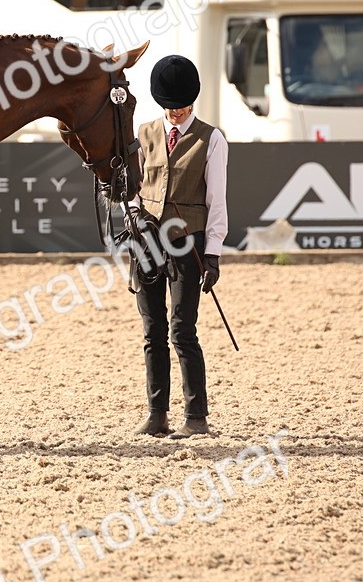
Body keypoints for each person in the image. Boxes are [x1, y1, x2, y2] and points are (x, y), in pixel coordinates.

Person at [130, 55, 228, 439]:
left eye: (182, 106)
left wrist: (214, 254)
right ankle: (157, 414)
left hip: (189, 244)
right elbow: (134, 188)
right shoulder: (144, 133)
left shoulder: (211, 139)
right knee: (152, 330)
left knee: (182, 330)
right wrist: (135, 218)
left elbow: (216, 201)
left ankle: (196, 417)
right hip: (147, 241)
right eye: (170, 106)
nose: (175, 112)